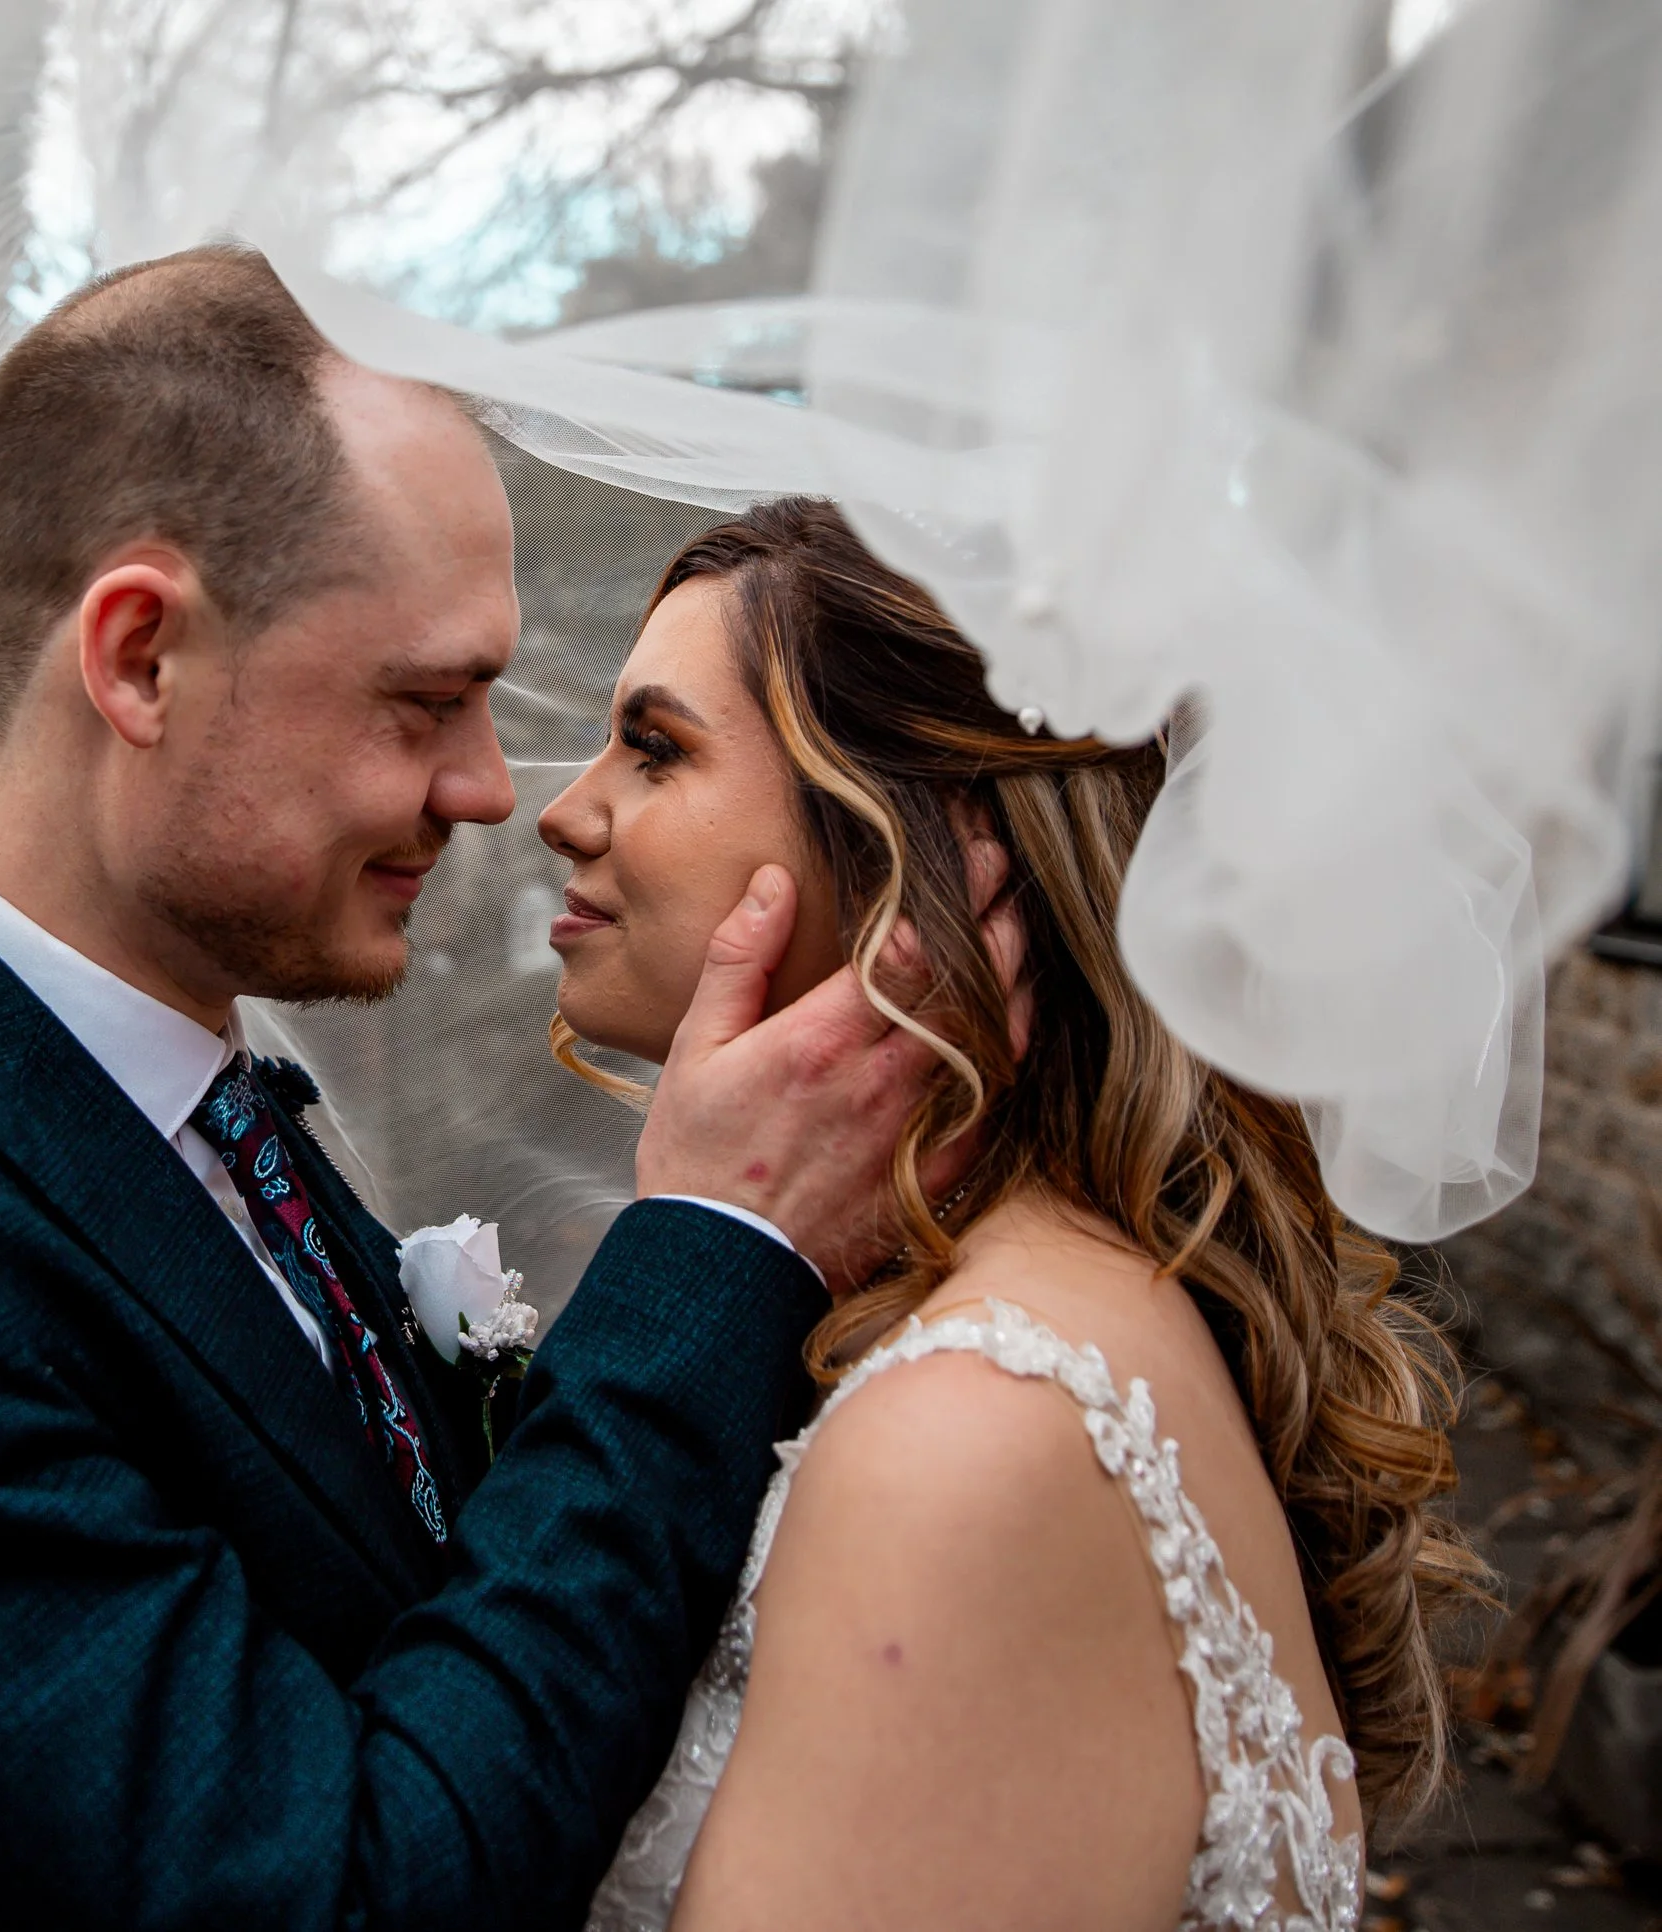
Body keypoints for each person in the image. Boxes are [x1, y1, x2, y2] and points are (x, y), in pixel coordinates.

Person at [0, 250, 1019, 1928]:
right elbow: (327, 1894)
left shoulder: (198, 1107)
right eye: (426, 701)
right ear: (138, 660)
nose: (491, 788)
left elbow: (428, 1613)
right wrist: (709, 1245)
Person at [542, 499, 1488, 1932]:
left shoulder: (973, 1439)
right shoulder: (1049, 1297)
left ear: (920, 843)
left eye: (657, 747)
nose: (565, 805)